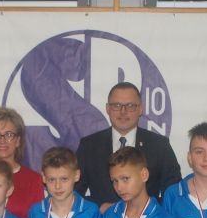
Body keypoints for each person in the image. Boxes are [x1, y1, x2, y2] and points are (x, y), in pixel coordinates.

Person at [76, 82, 181, 211]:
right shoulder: (89, 146)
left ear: (140, 109)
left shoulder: (159, 145)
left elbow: (174, 193)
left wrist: (146, 208)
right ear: (107, 109)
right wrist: (100, 206)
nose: (123, 111)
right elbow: (73, 192)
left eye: (130, 106)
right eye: (117, 105)